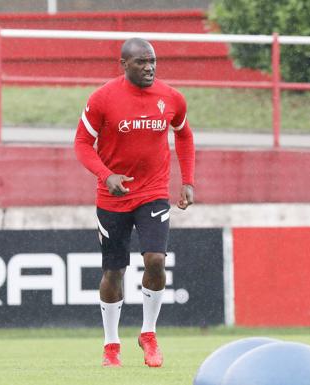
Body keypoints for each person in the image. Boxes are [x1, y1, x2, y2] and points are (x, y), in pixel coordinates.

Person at [74, 38, 195, 368]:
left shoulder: (171, 97)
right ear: (123, 65)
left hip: (153, 192)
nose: (149, 67)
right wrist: (105, 174)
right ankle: (111, 344)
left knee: (155, 259)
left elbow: (184, 134)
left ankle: (148, 334)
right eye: (141, 62)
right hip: (113, 197)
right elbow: (82, 144)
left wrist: (187, 180)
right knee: (114, 272)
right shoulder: (102, 99)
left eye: (153, 61)